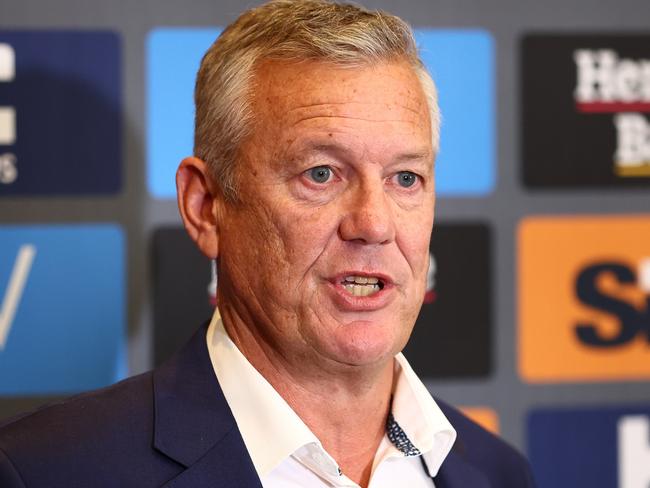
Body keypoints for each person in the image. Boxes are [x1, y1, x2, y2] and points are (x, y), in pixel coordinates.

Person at [0, 1, 536, 487]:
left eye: (405, 178)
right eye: (321, 174)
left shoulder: (495, 472)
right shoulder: (47, 472)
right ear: (205, 205)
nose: (374, 224)